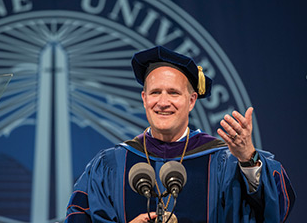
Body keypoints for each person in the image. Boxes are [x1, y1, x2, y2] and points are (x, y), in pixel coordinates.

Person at [65, 46, 295, 222]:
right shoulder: (111, 165)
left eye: (173, 93)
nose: (163, 102)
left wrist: (248, 159)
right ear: (144, 99)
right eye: (155, 92)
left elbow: (272, 211)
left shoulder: (223, 163)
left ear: (192, 100)